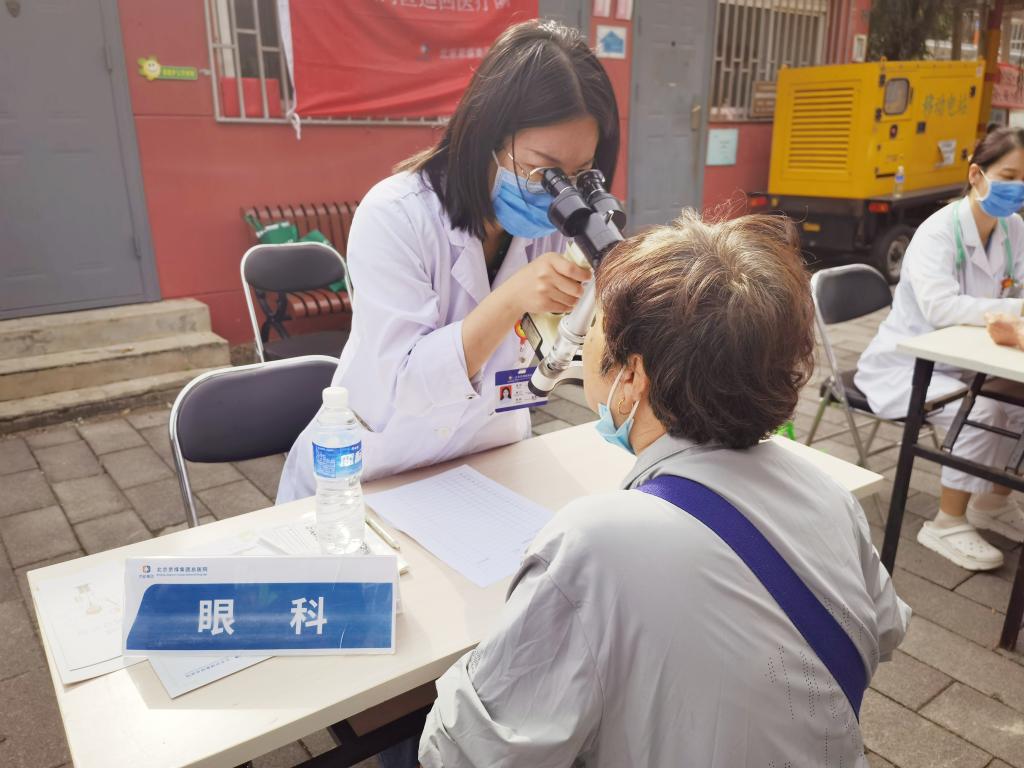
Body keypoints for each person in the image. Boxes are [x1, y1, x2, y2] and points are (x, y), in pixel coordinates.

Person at [419, 212, 910, 767]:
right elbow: (885, 628)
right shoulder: (827, 492)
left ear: (632, 376)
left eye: (593, 325)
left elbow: (464, 754)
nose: (580, 338)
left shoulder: (597, 543)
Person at [276, 20, 619, 502]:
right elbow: (408, 384)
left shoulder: (547, 227)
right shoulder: (395, 215)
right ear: (487, 137)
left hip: (486, 459)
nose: (554, 192)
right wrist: (510, 299)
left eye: (578, 173)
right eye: (542, 170)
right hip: (376, 470)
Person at [856, 126, 1024, 571]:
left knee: (1018, 403)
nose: (1017, 189)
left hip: (973, 358)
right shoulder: (938, 231)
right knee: (983, 410)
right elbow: (940, 308)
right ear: (976, 174)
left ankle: (991, 504)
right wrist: (1013, 308)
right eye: (1009, 176)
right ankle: (946, 523)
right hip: (909, 364)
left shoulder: (1014, 229)